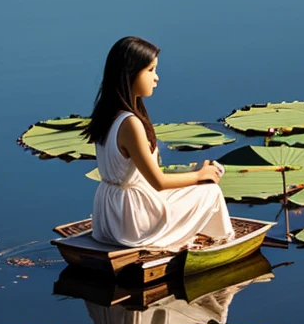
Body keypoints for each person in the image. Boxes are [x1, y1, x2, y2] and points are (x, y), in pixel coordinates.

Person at [87, 36, 234, 250]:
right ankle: (222, 243)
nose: (156, 78)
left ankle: (203, 236)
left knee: (189, 189)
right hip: (131, 222)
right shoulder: (130, 124)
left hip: (108, 216)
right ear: (130, 73)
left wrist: (193, 176)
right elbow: (158, 182)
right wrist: (200, 176)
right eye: (150, 70)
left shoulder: (107, 115)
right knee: (210, 191)